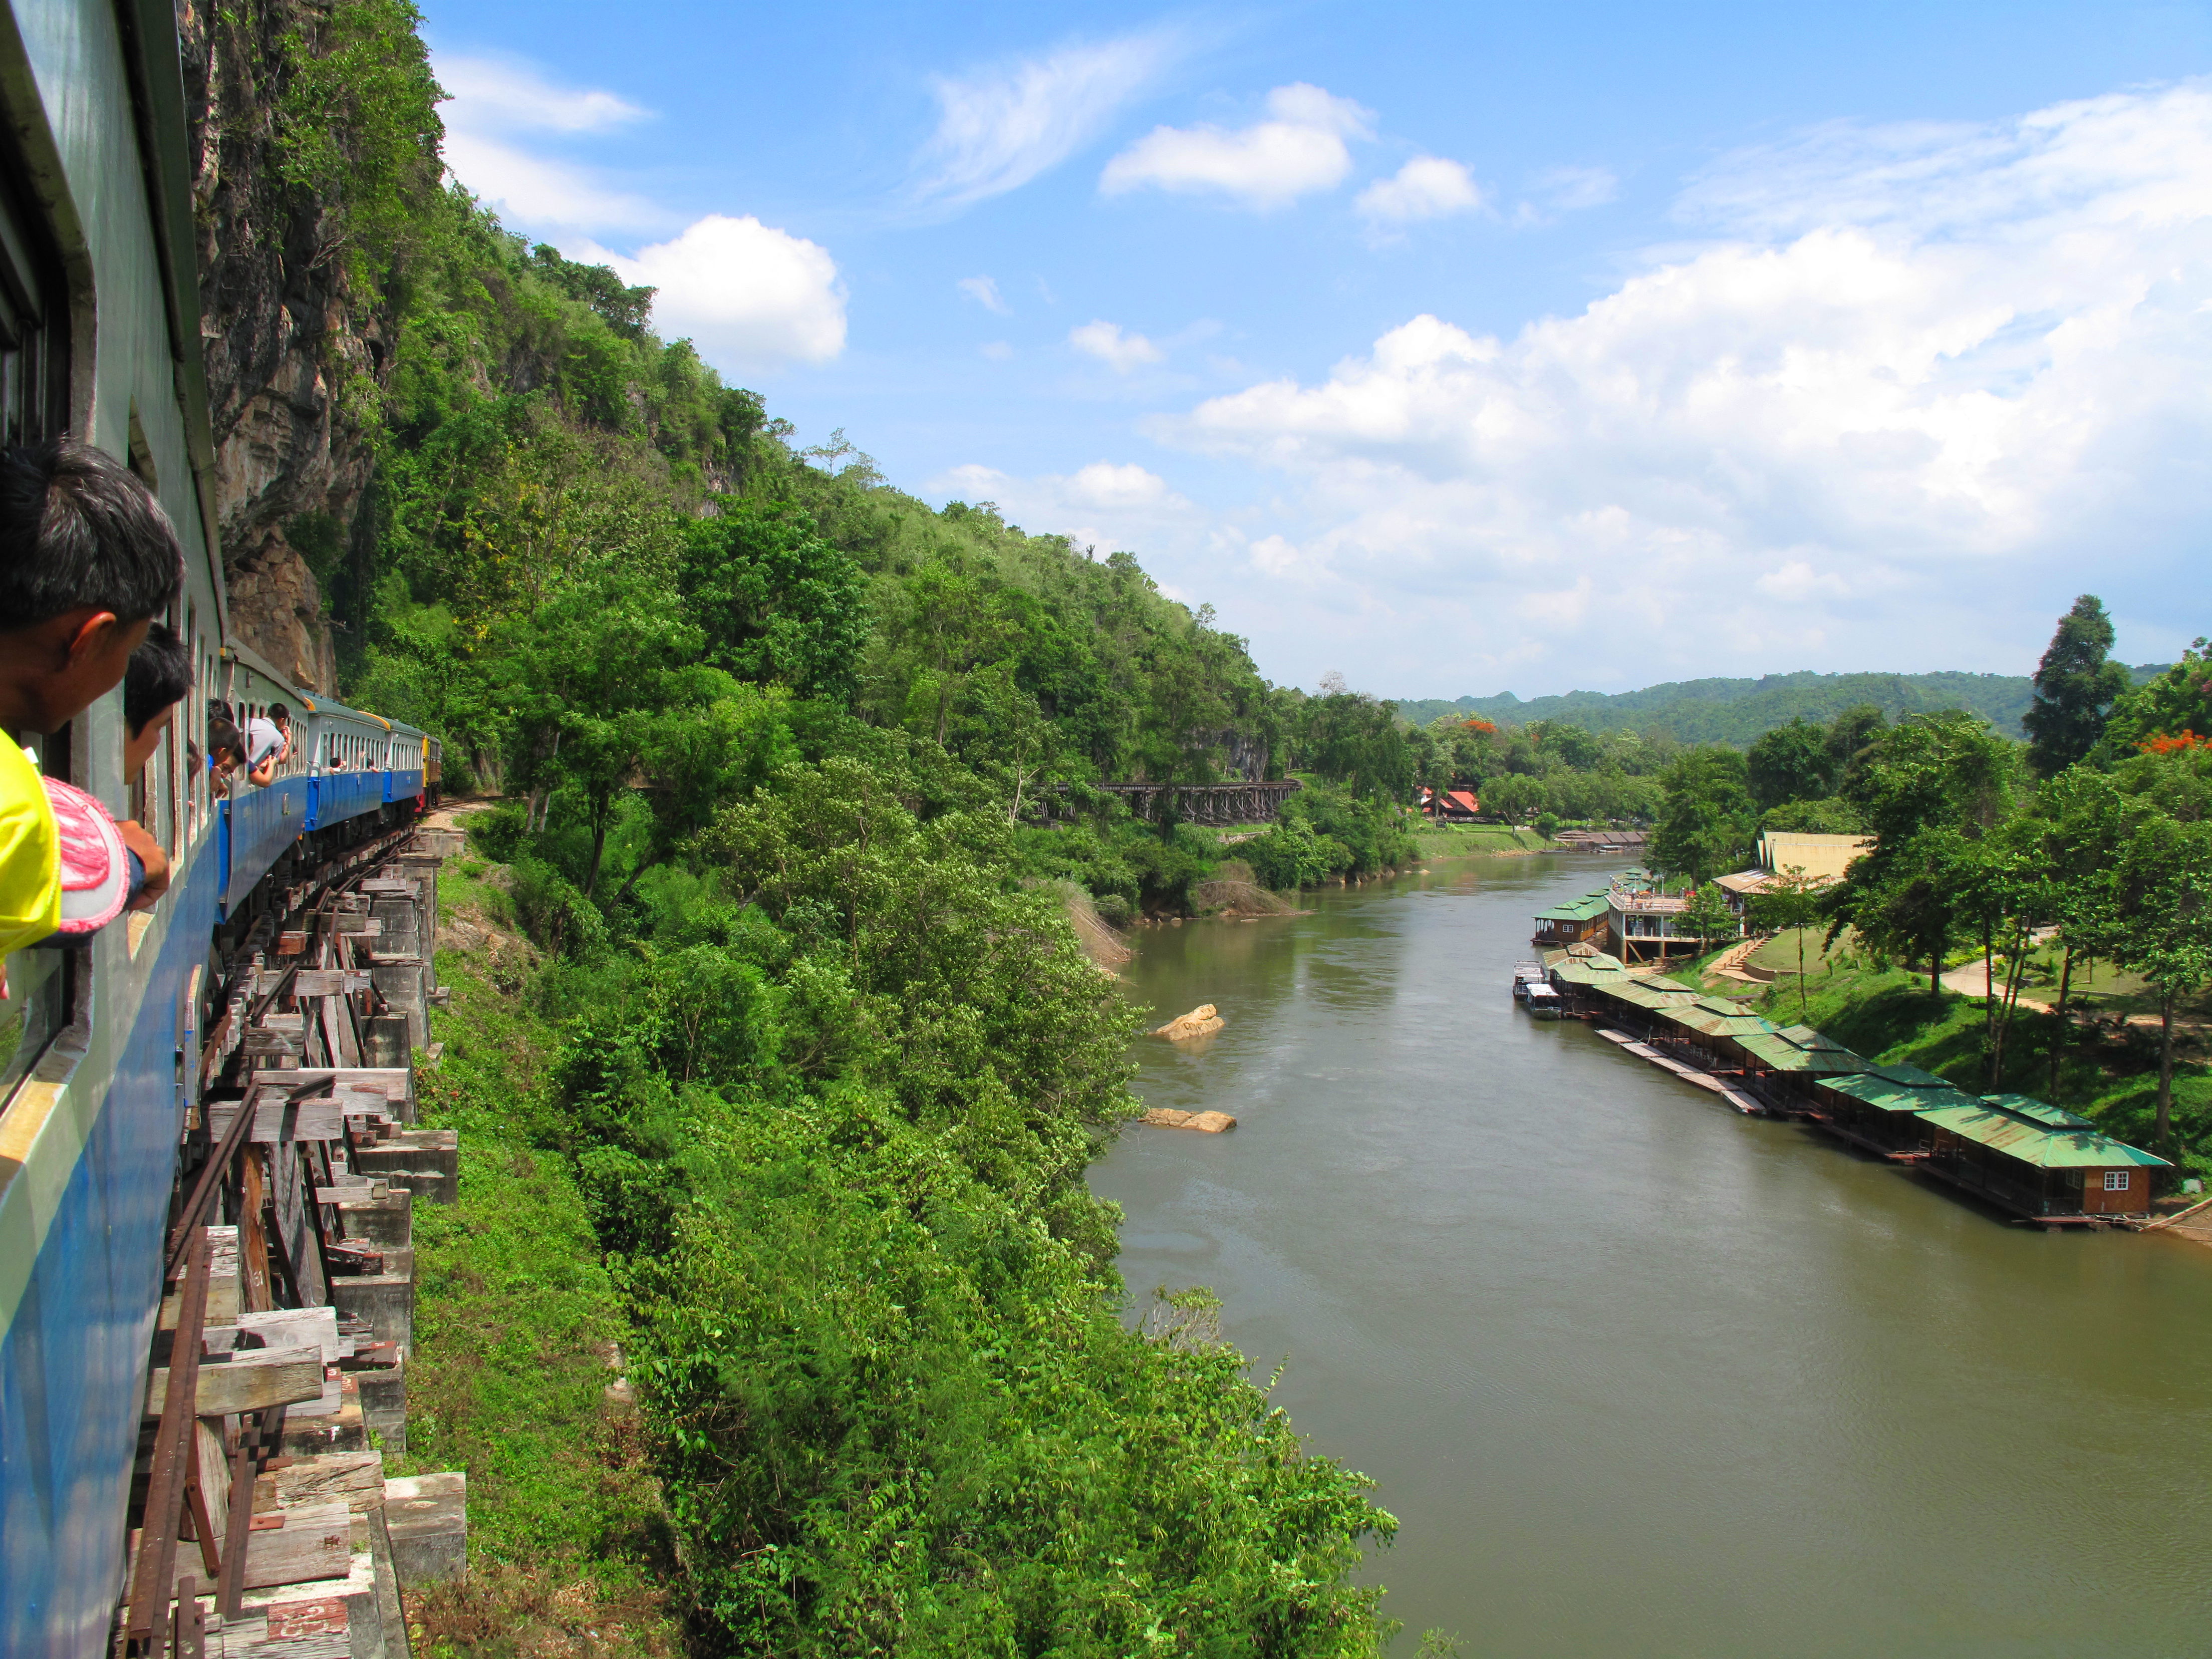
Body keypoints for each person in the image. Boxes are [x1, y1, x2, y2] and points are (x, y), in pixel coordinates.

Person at [0, 440, 183, 968]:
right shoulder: (14, 806)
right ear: (88, 640)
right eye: (128, 652)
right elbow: (69, 894)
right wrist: (126, 862)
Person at [243, 701, 289, 788]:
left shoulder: (248, 721)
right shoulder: (279, 738)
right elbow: (277, 761)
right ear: (282, 720)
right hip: (252, 778)